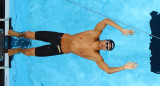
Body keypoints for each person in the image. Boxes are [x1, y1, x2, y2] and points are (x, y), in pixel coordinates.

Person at [8, 18, 137, 74]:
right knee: (29, 34)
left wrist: (123, 67)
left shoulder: (97, 57)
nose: (106, 45)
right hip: (59, 37)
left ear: (106, 50)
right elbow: (105, 21)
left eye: (108, 47)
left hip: (58, 49)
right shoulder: (95, 33)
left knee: (29, 52)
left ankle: (19, 50)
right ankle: (19, 35)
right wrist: (121, 29)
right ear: (106, 39)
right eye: (107, 43)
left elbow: (108, 70)